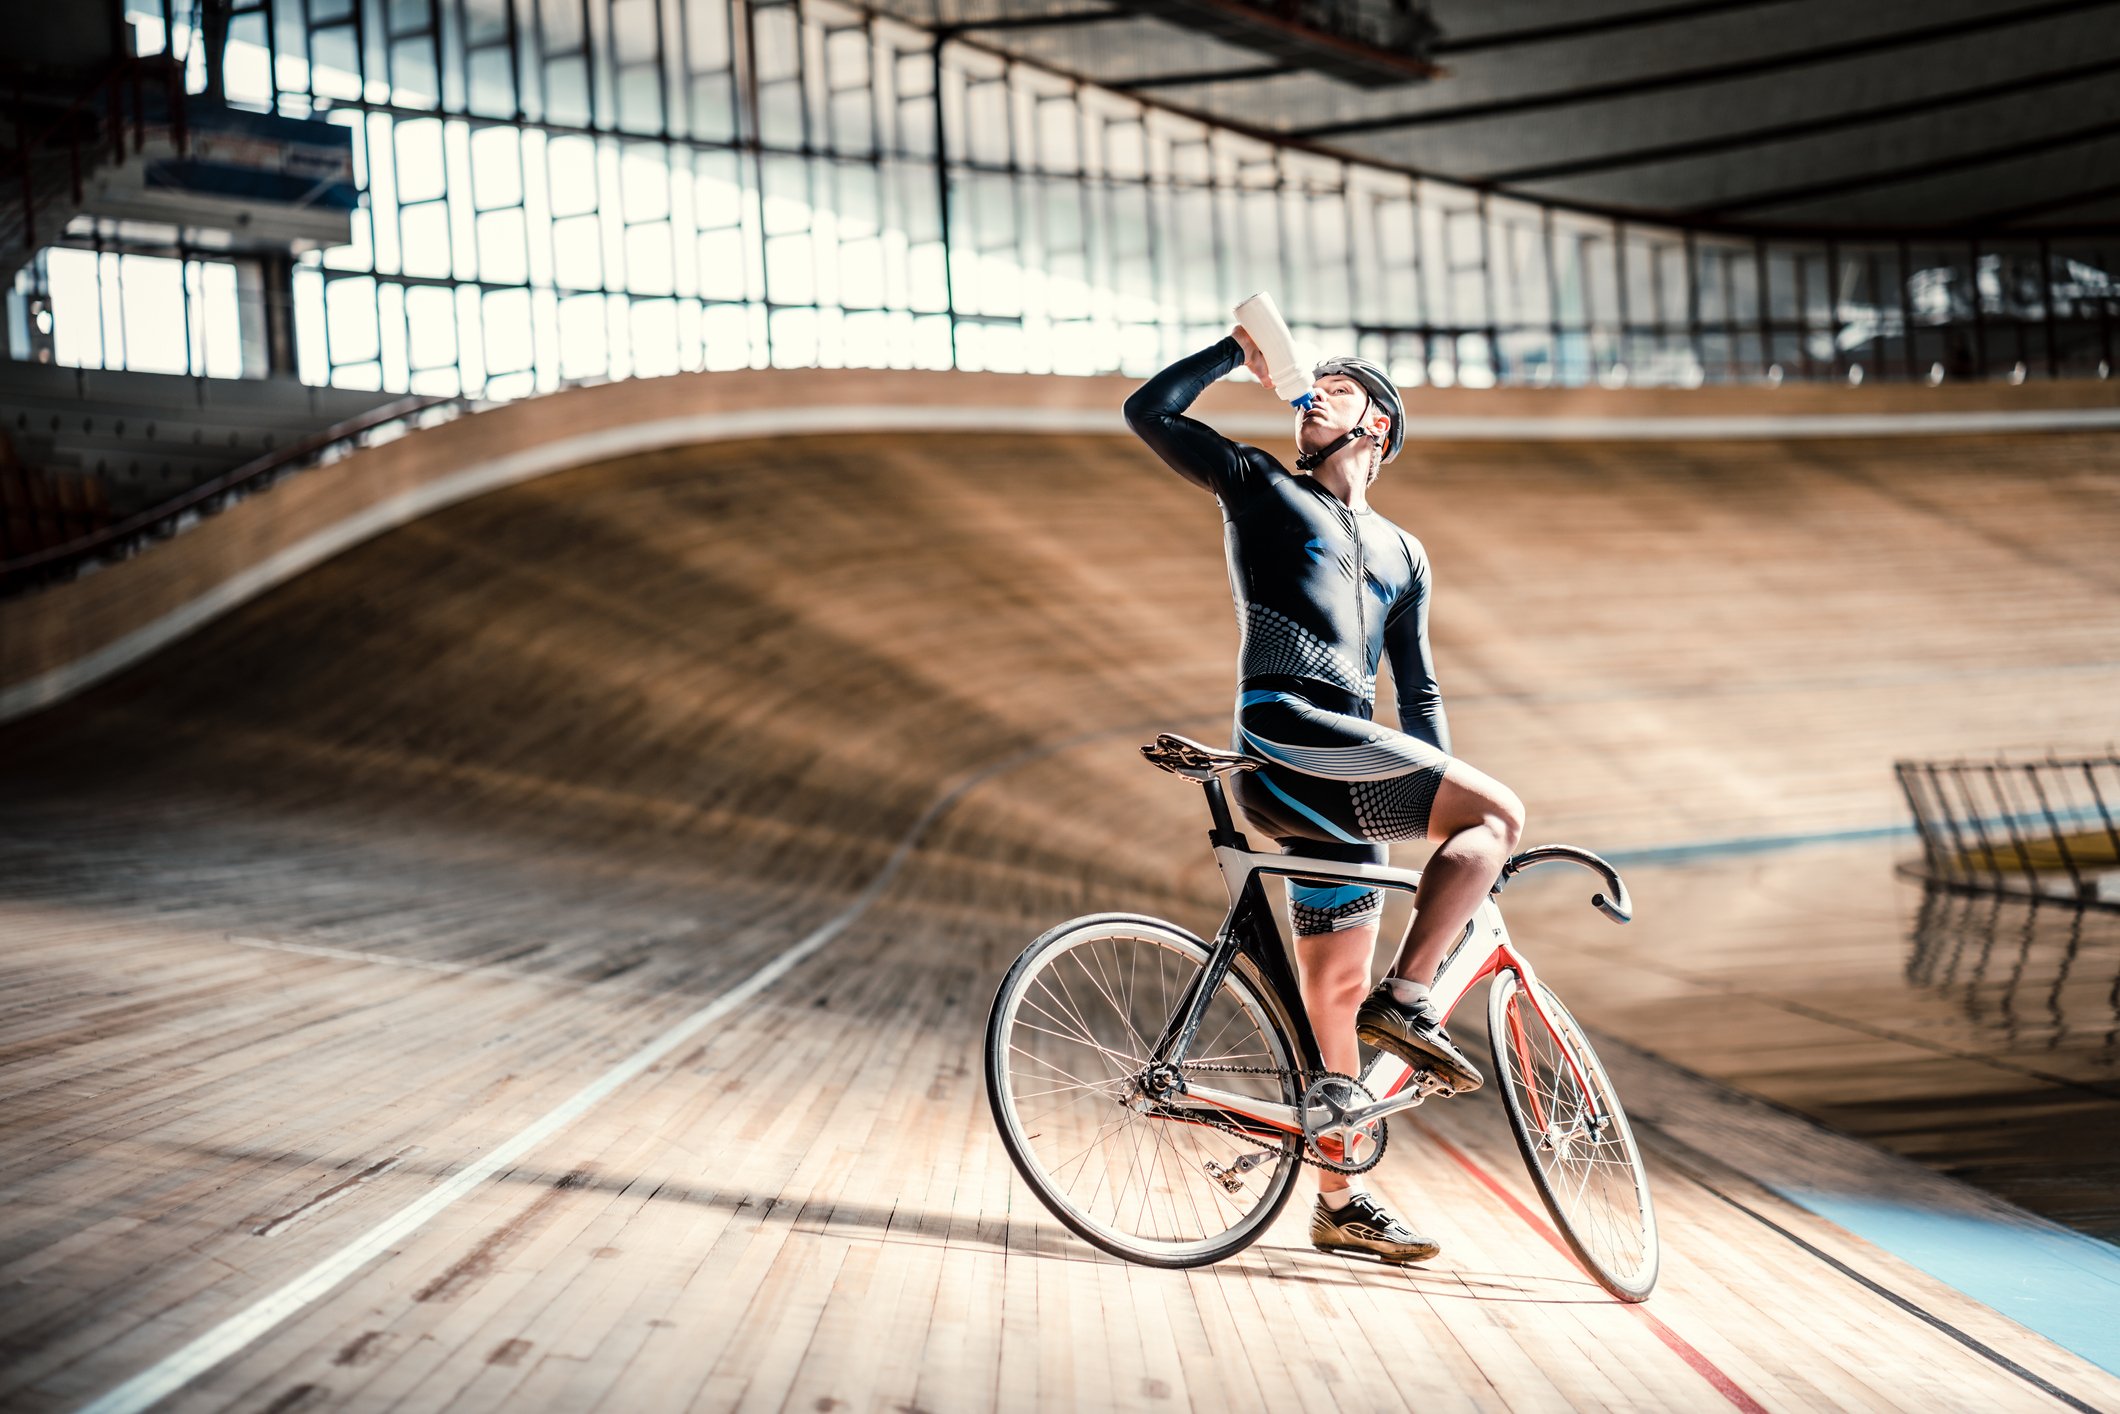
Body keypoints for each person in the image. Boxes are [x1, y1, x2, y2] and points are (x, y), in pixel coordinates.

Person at [1123, 328, 1527, 1265]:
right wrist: (1237, 351)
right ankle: (1414, 1001)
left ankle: (1340, 1201)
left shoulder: (1404, 553)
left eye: (1336, 391)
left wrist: (1437, 813)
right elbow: (1149, 413)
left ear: (1376, 423)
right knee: (1499, 813)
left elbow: (1418, 695)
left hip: (1349, 771)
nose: (1313, 399)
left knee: (1336, 996)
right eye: (1311, 389)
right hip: (1285, 732)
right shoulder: (1262, 486)